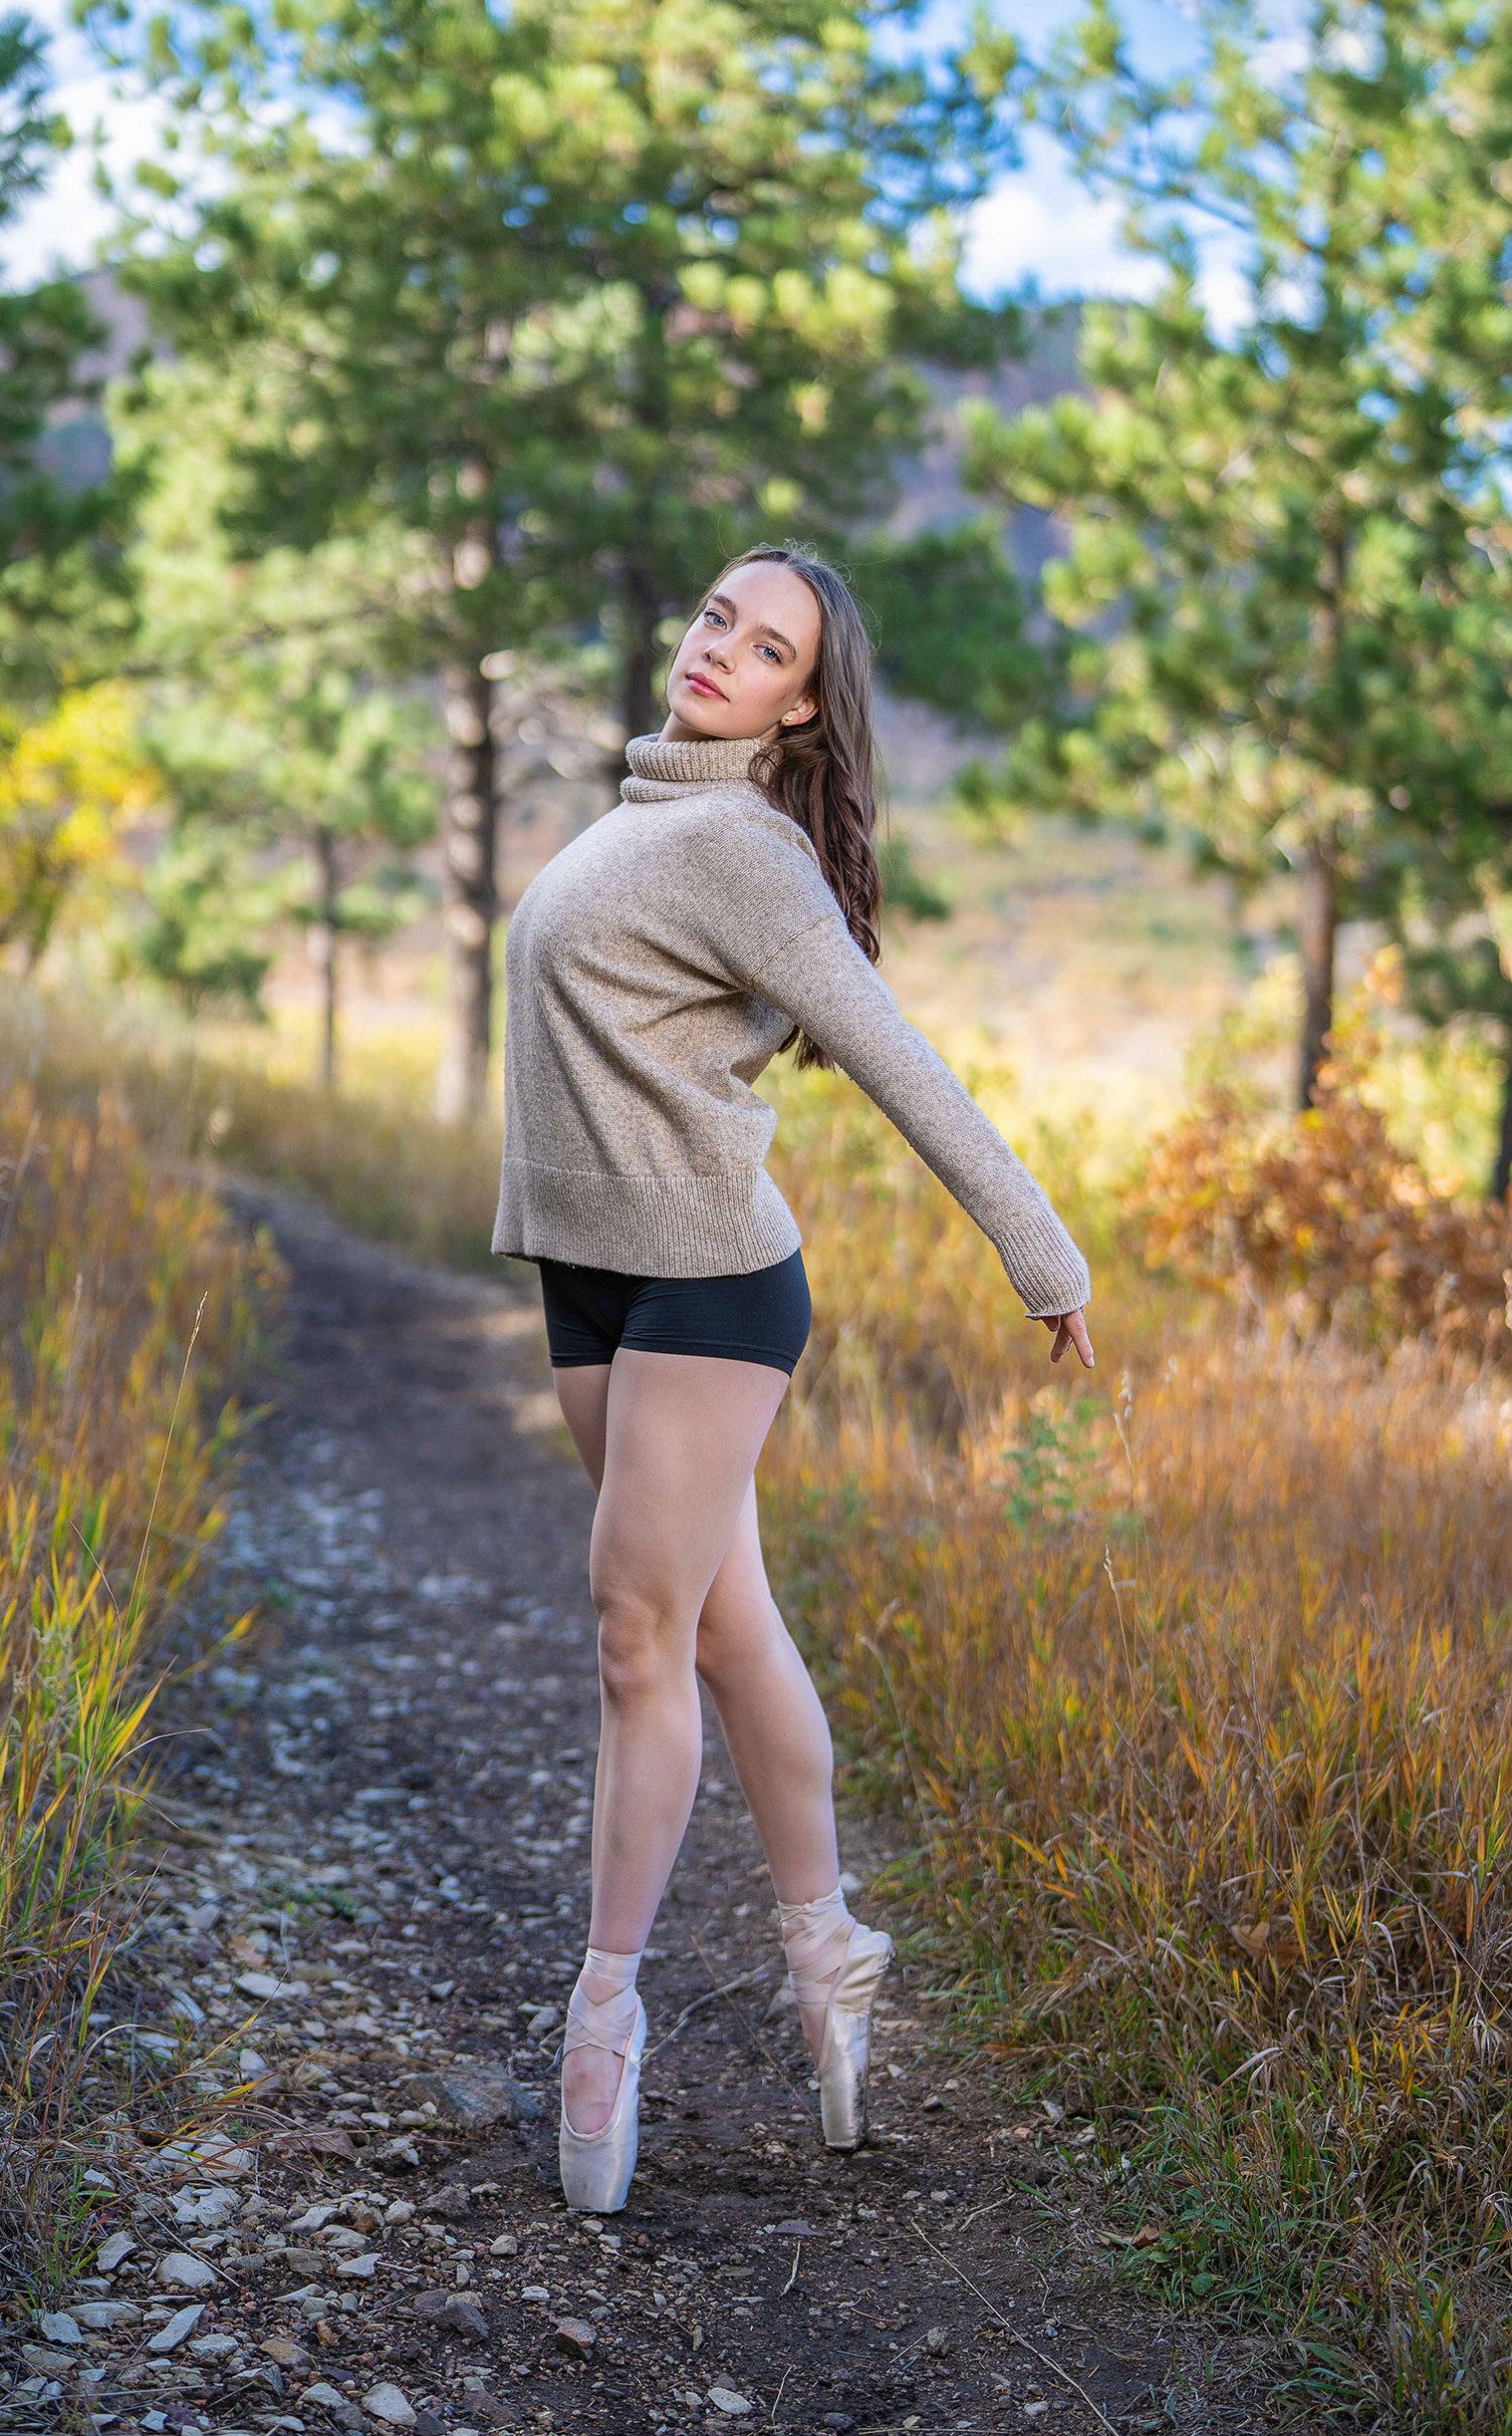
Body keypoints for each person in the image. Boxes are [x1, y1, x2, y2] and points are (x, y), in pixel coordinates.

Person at [492, 543, 1095, 2214]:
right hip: (593, 1278)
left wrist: (1041, 1255)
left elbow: (899, 1058)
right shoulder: (636, 819)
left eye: (764, 649)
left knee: (633, 1633)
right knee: (722, 1623)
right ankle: (831, 1946)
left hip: (712, 1281)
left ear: (800, 702)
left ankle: (603, 2009)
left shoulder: (748, 851)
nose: (718, 653)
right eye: (714, 621)